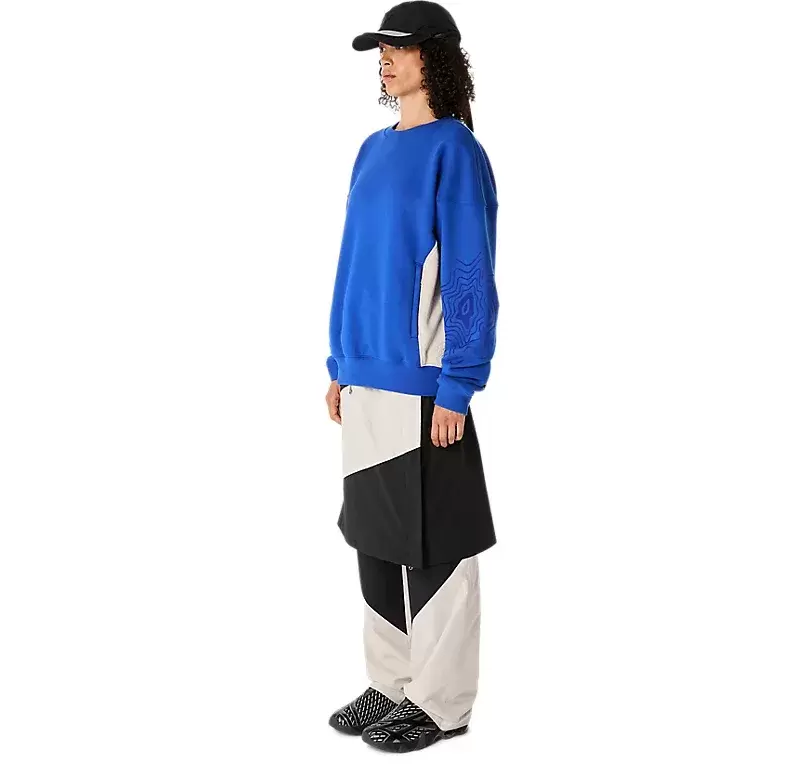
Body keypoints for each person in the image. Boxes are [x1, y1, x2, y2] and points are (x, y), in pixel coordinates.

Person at [322, 1, 501, 754]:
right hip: (366, 378)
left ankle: (441, 702)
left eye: (399, 48)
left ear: (437, 57)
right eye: (380, 50)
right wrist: (339, 362)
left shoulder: (454, 149)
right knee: (375, 538)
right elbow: (352, 261)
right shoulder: (371, 149)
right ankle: (391, 682)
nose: (385, 60)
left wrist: (459, 383)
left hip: (425, 384)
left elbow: (468, 272)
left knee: (436, 546)